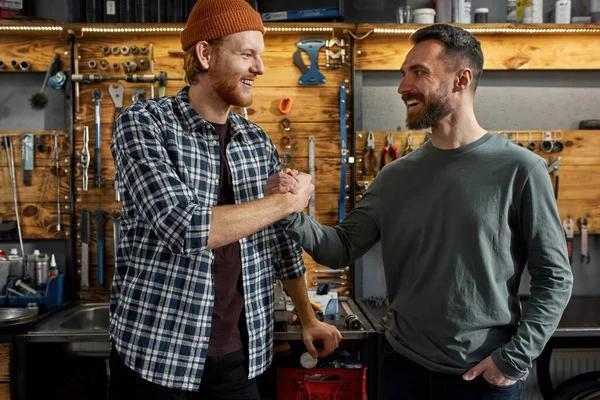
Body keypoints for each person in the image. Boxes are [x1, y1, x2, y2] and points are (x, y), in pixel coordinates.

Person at [266, 24, 573, 399]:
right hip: (402, 371)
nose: (402, 87)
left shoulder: (521, 170)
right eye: (403, 74)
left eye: (419, 73)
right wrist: (289, 210)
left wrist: (514, 358)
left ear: (462, 79)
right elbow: (340, 248)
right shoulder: (395, 175)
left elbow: (555, 277)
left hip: (482, 378)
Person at [108, 1, 342, 399]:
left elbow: (281, 243)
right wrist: (287, 203)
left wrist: (307, 318)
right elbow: (183, 227)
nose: (260, 68)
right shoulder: (144, 123)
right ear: (205, 54)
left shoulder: (256, 142)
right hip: (159, 356)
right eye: (247, 54)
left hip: (240, 356)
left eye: (260, 56)